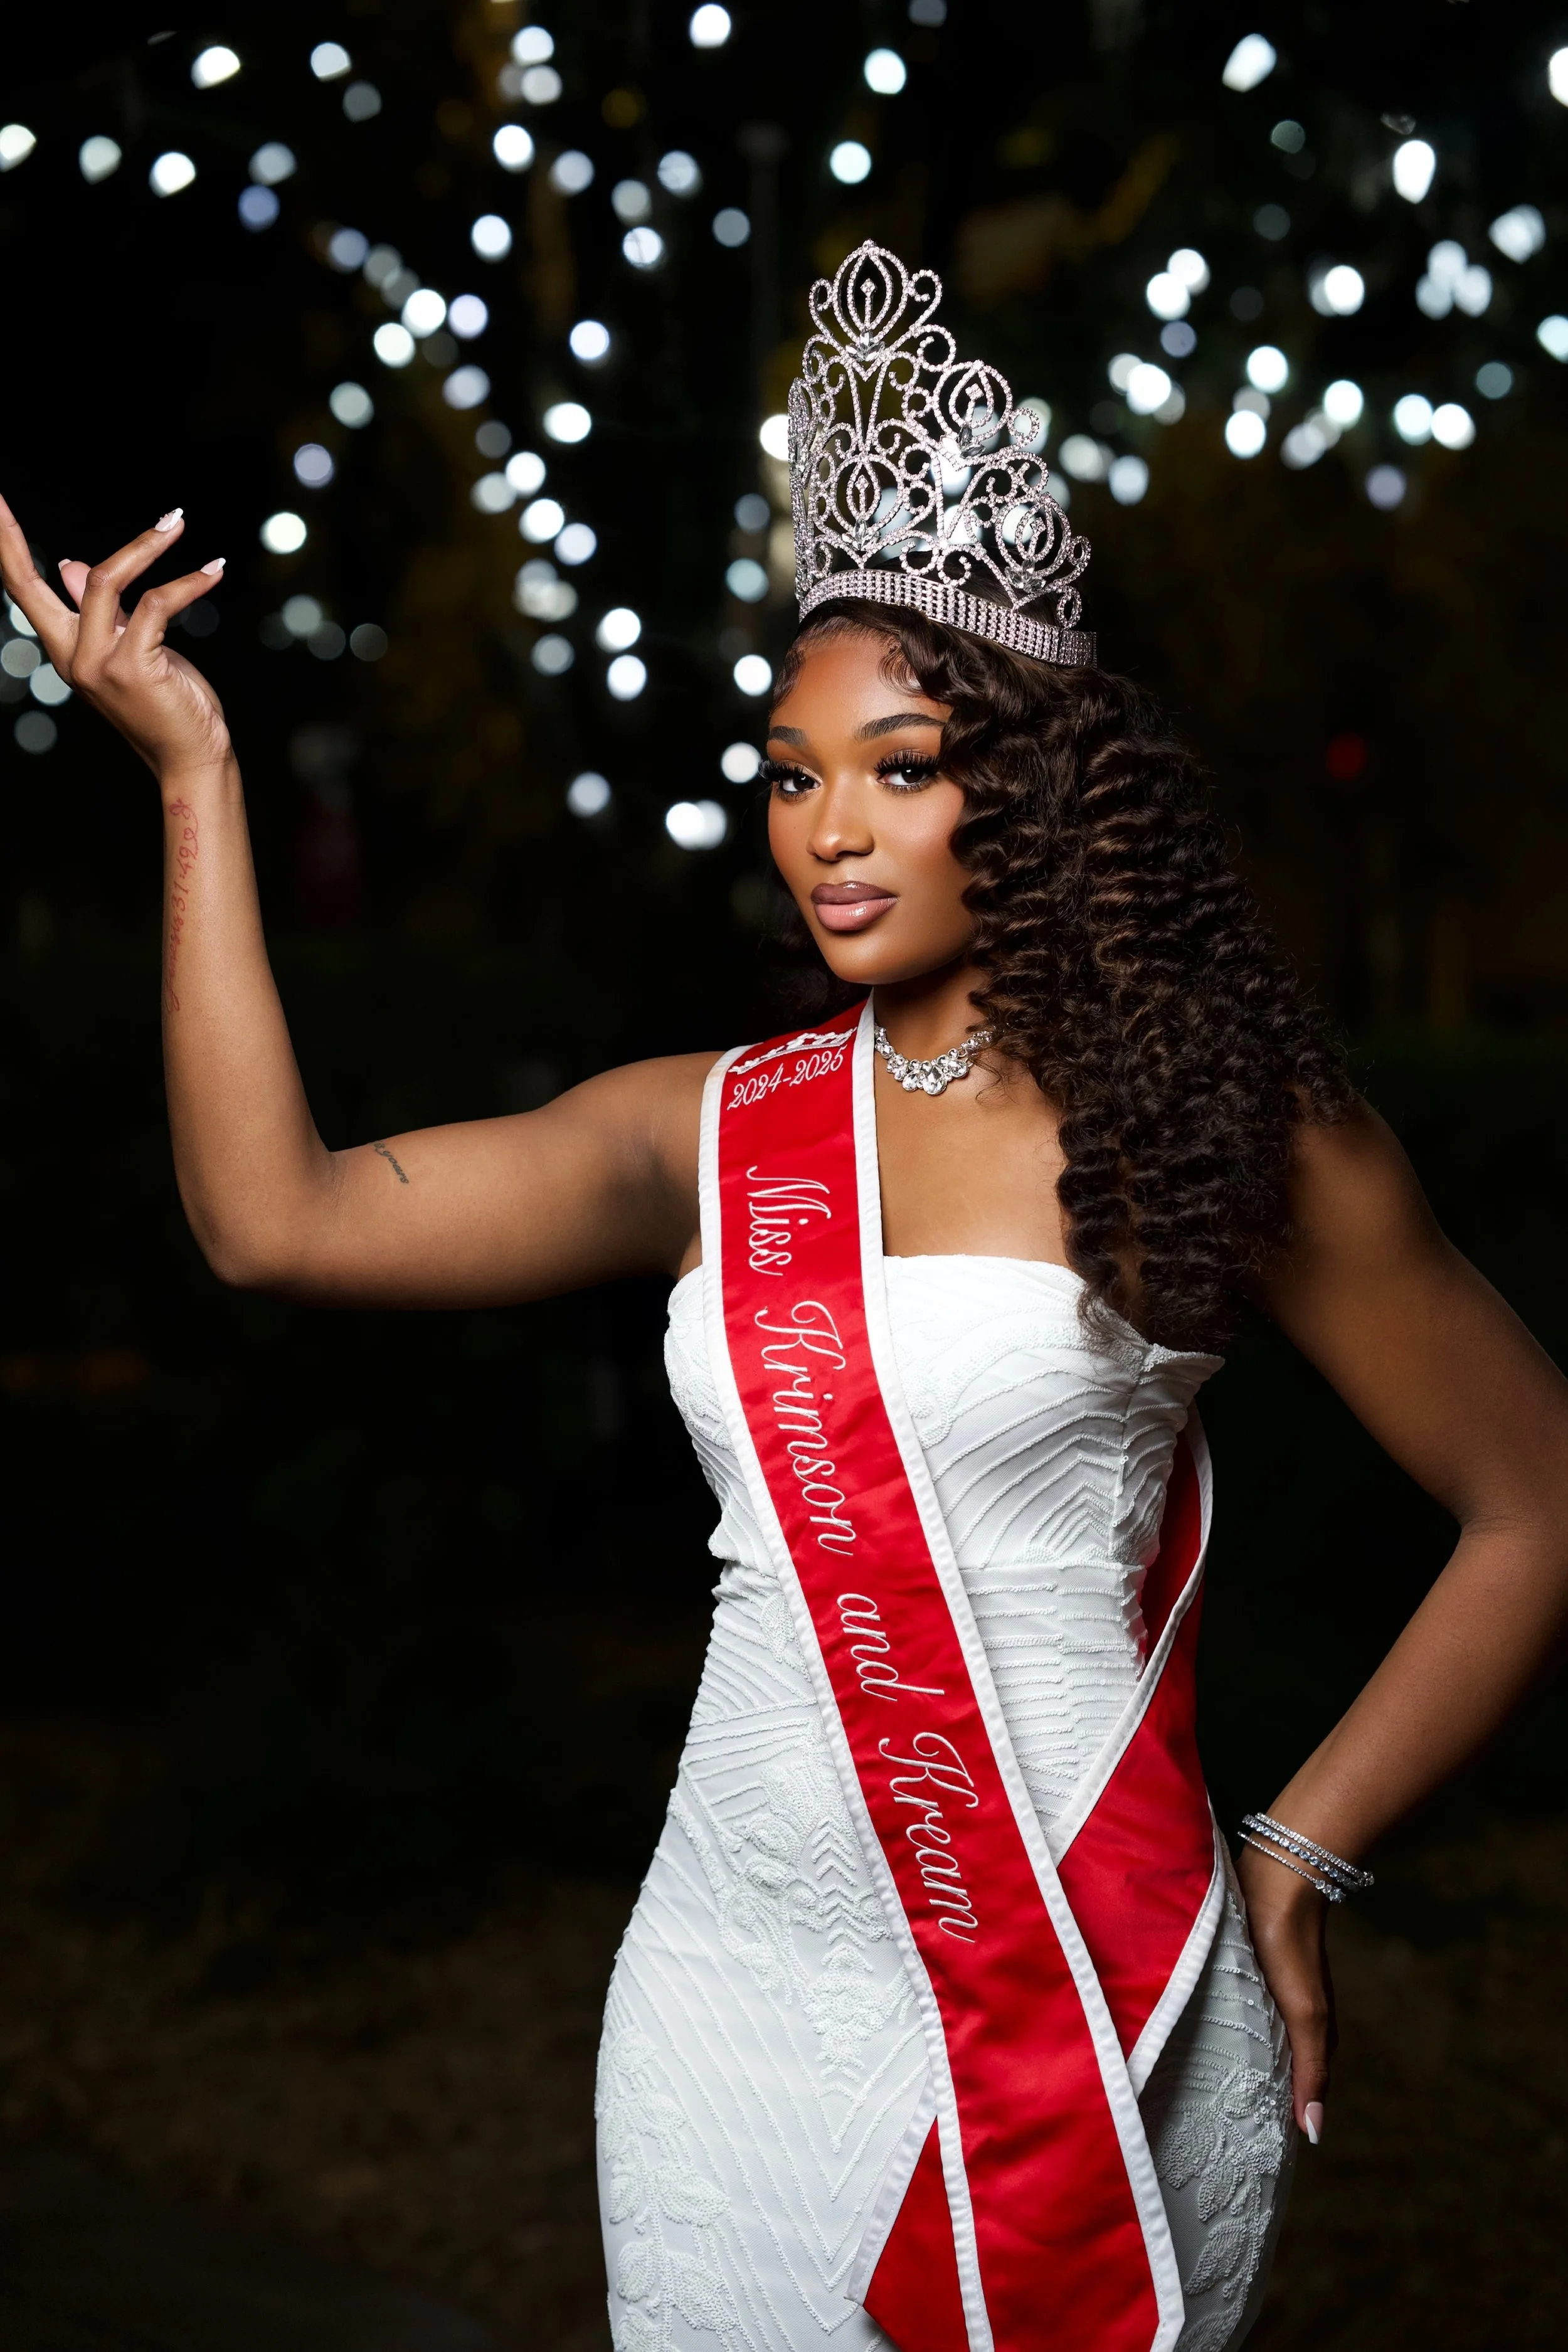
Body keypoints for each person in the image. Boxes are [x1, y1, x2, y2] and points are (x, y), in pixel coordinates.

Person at [4, 241, 1567, 2352]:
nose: (825, 833)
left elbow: (1533, 1497)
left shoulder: (1222, 1121)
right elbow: (273, 1219)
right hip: (726, 2004)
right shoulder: (705, 1131)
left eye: (896, 766)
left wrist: (1302, 1852)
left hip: (1093, 1995)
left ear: (1017, 782)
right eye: (787, 770)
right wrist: (195, 780)